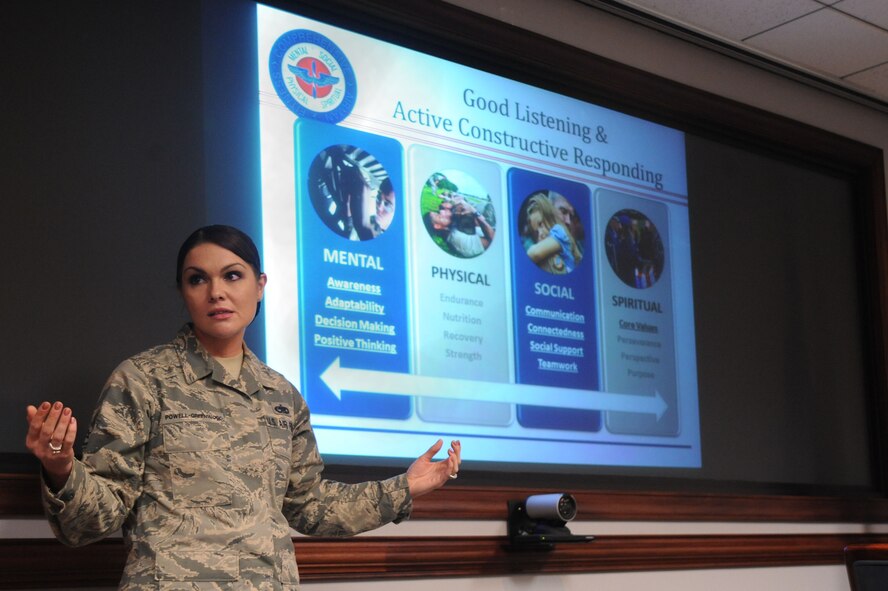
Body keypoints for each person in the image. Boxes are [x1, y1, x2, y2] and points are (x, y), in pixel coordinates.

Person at [25, 224, 461, 590]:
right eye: (198, 279)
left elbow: (311, 507)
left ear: (260, 285)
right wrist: (61, 469)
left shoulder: (282, 396)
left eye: (232, 276)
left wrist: (405, 487)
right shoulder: (142, 380)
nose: (216, 292)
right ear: (183, 292)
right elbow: (92, 521)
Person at [524, 192, 582, 274]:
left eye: (541, 224)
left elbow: (534, 253)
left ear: (549, 217)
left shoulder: (559, 232)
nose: (540, 234)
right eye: (537, 232)